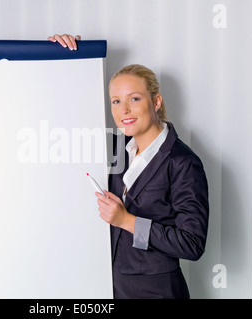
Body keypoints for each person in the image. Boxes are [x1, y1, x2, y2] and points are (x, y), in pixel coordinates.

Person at [49, 34, 209, 299]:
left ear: (156, 102)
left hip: (157, 291)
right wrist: (65, 57)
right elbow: (63, 119)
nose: (124, 110)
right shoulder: (113, 148)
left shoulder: (183, 162)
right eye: (116, 101)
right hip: (108, 284)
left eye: (134, 99)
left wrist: (127, 221)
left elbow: (192, 244)